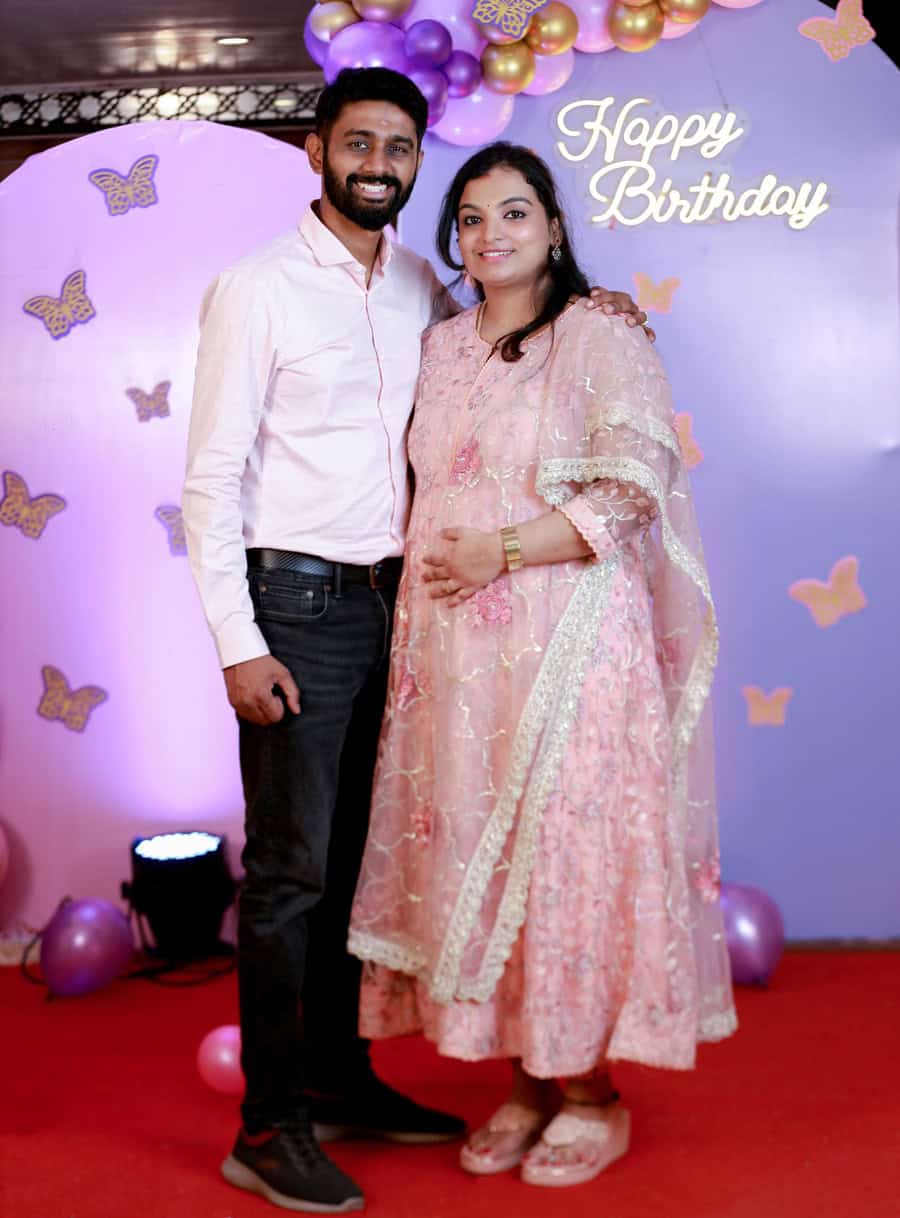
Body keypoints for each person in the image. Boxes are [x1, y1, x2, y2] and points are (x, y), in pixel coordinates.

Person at [183, 70, 647, 1213]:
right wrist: (239, 641)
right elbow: (209, 477)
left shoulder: (424, 295)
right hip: (294, 602)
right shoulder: (256, 289)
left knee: (353, 865)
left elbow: (514, 373)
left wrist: (606, 310)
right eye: (358, 143)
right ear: (316, 150)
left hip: (402, 610)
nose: (379, 162)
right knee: (291, 877)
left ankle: (342, 1081)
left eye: (399, 145)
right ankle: (270, 1123)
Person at [348, 141, 737, 1190]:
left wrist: (503, 551)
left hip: (567, 643)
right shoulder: (444, 348)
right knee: (479, 850)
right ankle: (527, 1079)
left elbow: (634, 485)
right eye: (471, 218)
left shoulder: (598, 332)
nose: (491, 234)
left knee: (566, 858)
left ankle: (591, 1094)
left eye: (514, 213)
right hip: (457, 657)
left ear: (554, 228)